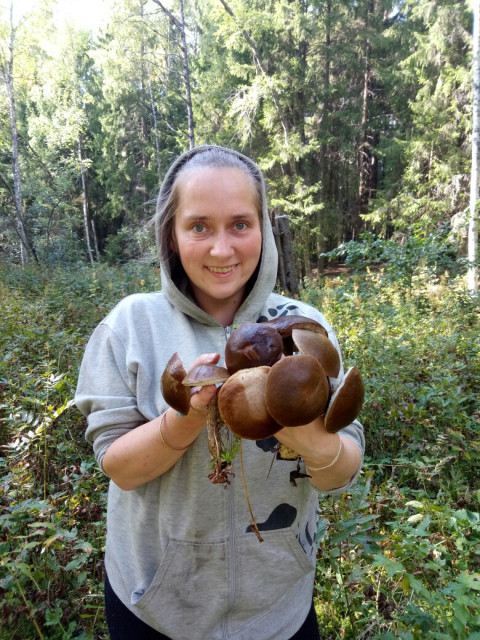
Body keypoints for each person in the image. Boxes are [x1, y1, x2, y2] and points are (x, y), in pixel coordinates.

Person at [75, 145, 365, 640]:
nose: (221, 249)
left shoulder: (306, 331)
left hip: (278, 608)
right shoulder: (129, 326)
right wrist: (187, 417)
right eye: (199, 226)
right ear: (172, 232)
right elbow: (118, 467)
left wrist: (299, 422)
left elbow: (342, 470)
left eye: (239, 224)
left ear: (263, 227)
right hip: (158, 608)